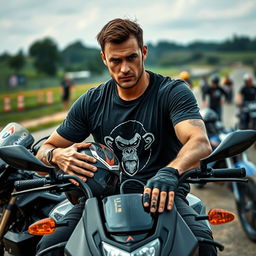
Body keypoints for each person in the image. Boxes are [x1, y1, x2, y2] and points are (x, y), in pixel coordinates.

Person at [36, 18, 215, 255]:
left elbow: (200, 142)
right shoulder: (92, 102)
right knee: (49, 248)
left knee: (202, 246)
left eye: (131, 57)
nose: (125, 68)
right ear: (104, 59)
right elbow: (42, 154)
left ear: (144, 52)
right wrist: (57, 155)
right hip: (100, 202)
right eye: (116, 61)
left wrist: (170, 172)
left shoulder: (172, 92)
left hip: (165, 197)